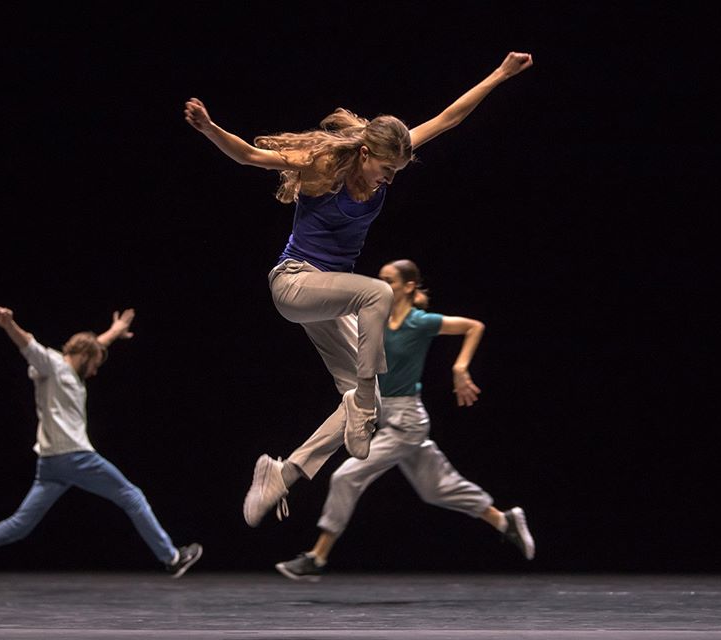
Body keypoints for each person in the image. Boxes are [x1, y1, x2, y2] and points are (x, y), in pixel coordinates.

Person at [184, 51, 534, 528]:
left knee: (364, 403)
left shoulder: (391, 157)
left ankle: (281, 475)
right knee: (377, 296)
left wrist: (500, 74)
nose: (390, 181)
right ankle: (365, 397)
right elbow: (250, 155)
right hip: (295, 283)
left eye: (396, 174)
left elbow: (449, 118)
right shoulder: (322, 164)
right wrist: (208, 127)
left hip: (332, 297)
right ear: (367, 155)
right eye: (387, 172)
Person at [274, 260, 535, 580]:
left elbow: (473, 326)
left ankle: (317, 557)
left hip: (406, 420)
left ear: (409, 286)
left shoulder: (419, 322)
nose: (382, 286)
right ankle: (504, 521)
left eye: (390, 281)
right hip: (389, 416)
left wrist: (460, 368)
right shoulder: (375, 317)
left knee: (346, 477)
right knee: (437, 488)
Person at [0, 307, 202, 591]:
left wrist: (114, 332)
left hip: (51, 465)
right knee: (132, 495)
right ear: (84, 357)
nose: (95, 371)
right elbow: (28, 343)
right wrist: (8, 323)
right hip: (75, 456)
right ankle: (172, 557)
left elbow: (95, 345)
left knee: (20, 523)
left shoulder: (73, 367)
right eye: (94, 365)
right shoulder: (51, 364)